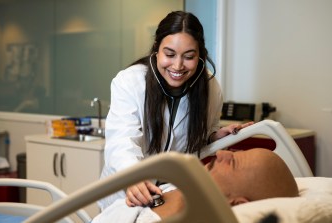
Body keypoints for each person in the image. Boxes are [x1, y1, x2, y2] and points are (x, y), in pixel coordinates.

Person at [98, 10, 253, 210]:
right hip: (127, 190)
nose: (178, 66)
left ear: (200, 55)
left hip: (172, 191)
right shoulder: (130, 81)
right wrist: (133, 176)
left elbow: (201, 133)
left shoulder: (210, 88)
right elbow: (121, 140)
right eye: (169, 54)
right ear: (156, 49)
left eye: (189, 56)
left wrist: (215, 136)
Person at [92, 148, 298, 222]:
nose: (221, 153)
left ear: (236, 202)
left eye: (233, 161)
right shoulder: (180, 188)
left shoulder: (186, 216)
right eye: (234, 152)